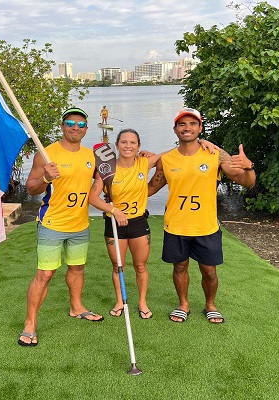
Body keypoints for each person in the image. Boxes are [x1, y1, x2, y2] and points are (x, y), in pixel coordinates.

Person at [89, 129, 217, 320]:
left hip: (139, 223)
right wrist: (113, 210)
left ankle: (142, 302)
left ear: (139, 146)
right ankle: (119, 301)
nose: (128, 146)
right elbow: (92, 197)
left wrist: (203, 142)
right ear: (117, 145)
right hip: (115, 223)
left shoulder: (144, 162)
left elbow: (174, 153)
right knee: (118, 266)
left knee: (140, 266)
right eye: (124, 142)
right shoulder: (107, 169)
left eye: (133, 143)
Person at [148, 108, 256, 324]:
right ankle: (183, 305)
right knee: (179, 267)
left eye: (192, 124)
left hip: (206, 226)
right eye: (182, 124)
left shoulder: (215, 155)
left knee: (209, 271)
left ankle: (210, 305)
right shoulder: (167, 159)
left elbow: (247, 182)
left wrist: (249, 167)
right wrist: (114, 190)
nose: (187, 128)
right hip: (176, 225)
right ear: (175, 129)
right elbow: (150, 189)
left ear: (200, 128)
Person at [19, 107, 103, 347]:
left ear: (86, 129)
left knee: (77, 268)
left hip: (80, 224)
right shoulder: (46, 155)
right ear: (62, 126)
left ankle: (76, 307)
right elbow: (32, 189)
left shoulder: (90, 155)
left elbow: (102, 177)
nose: (75, 128)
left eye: (80, 124)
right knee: (45, 274)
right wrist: (45, 178)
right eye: (70, 123)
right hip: (53, 224)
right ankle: (30, 324)